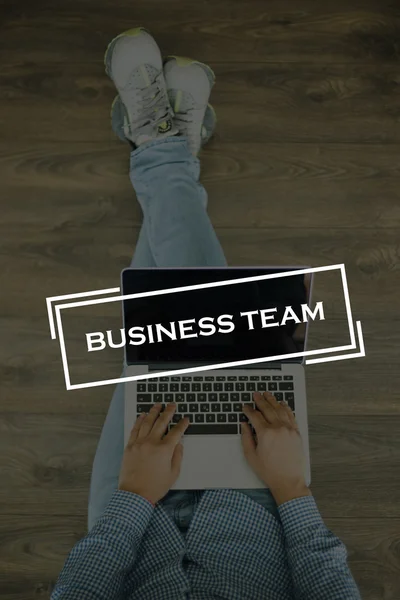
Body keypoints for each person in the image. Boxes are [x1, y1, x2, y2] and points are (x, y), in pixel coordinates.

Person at [51, 28, 361, 599]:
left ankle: (164, 147)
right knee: (201, 313)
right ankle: (163, 149)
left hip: (131, 521)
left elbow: (78, 591)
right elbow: (329, 586)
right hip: (256, 493)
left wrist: (133, 499)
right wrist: (291, 487)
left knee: (174, 318)